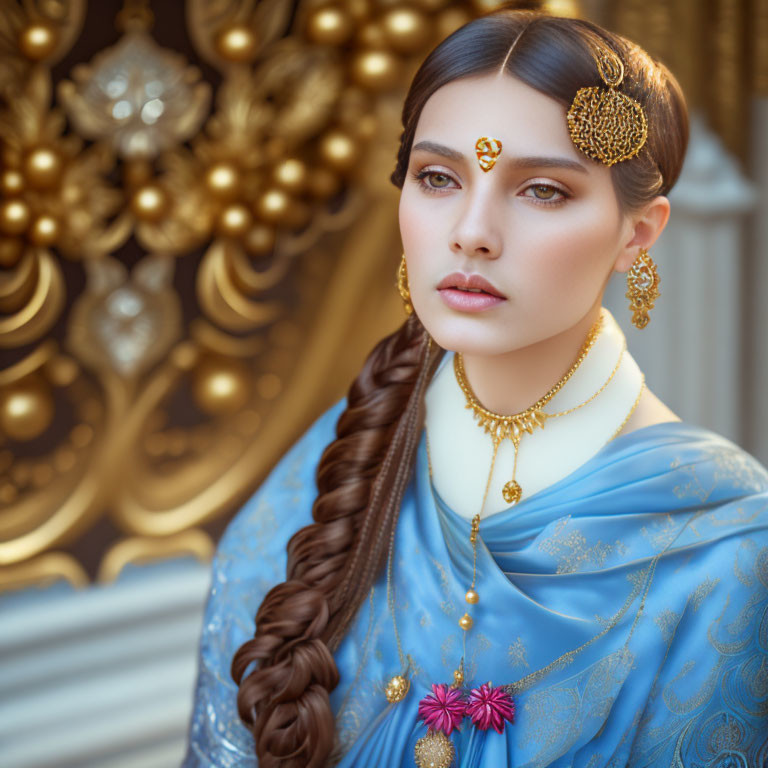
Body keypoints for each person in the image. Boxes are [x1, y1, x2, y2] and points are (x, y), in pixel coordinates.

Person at [182, 9, 768, 768]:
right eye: (437, 178)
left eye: (543, 191)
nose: (472, 231)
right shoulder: (334, 464)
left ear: (638, 234)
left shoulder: (728, 552)